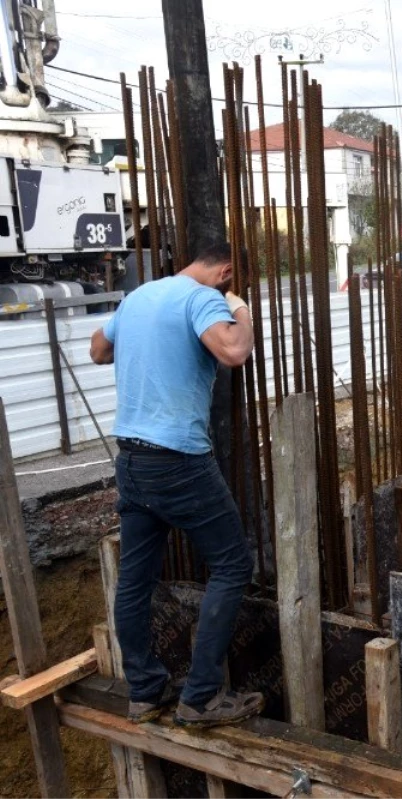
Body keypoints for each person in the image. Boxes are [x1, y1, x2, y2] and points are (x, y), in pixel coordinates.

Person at [89, 242, 265, 729]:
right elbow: (234, 350)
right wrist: (240, 309)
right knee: (232, 563)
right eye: (233, 284)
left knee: (135, 579)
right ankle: (201, 697)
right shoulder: (202, 297)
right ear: (225, 272)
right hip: (178, 459)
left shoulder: (140, 296)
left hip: (131, 459)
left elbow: (97, 349)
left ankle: (144, 692)